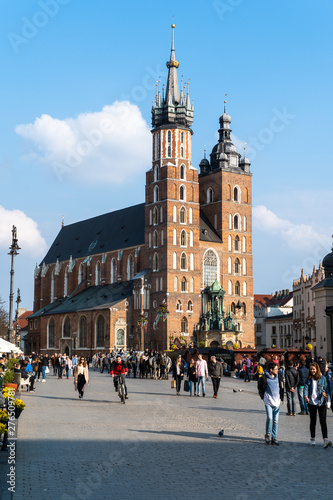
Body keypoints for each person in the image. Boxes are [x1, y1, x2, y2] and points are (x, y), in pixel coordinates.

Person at [304, 362, 332, 448]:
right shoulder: (308, 378)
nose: (312, 371)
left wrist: (325, 395)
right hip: (312, 402)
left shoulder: (322, 378)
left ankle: (325, 440)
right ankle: (312, 439)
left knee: (323, 422)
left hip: (321, 402)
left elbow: (327, 389)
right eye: (311, 369)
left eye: (313, 369)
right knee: (313, 421)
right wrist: (305, 396)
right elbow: (306, 388)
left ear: (317, 369)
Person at [258, 362, 284, 445]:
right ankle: (267, 434)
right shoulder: (264, 377)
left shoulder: (279, 376)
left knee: (275, 420)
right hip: (268, 400)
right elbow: (260, 387)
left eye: (277, 369)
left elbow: (281, 386)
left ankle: (274, 437)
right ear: (271, 370)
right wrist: (262, 396)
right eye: (275, 369)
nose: (277, 370)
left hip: (277, 401)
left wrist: (282, 397)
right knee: (269, 418)